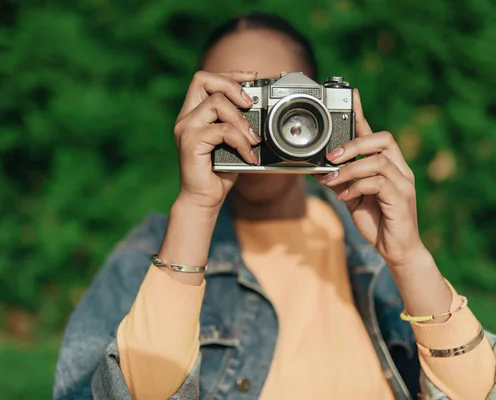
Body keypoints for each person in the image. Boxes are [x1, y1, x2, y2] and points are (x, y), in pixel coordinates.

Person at [54, 13, 496, 400]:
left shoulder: (372, 251)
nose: (271, 128)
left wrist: (409, 258)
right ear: (196, 112)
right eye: (242, 102)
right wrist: (195, 209)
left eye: (288, 103)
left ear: (326, 106)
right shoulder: (148, 255)